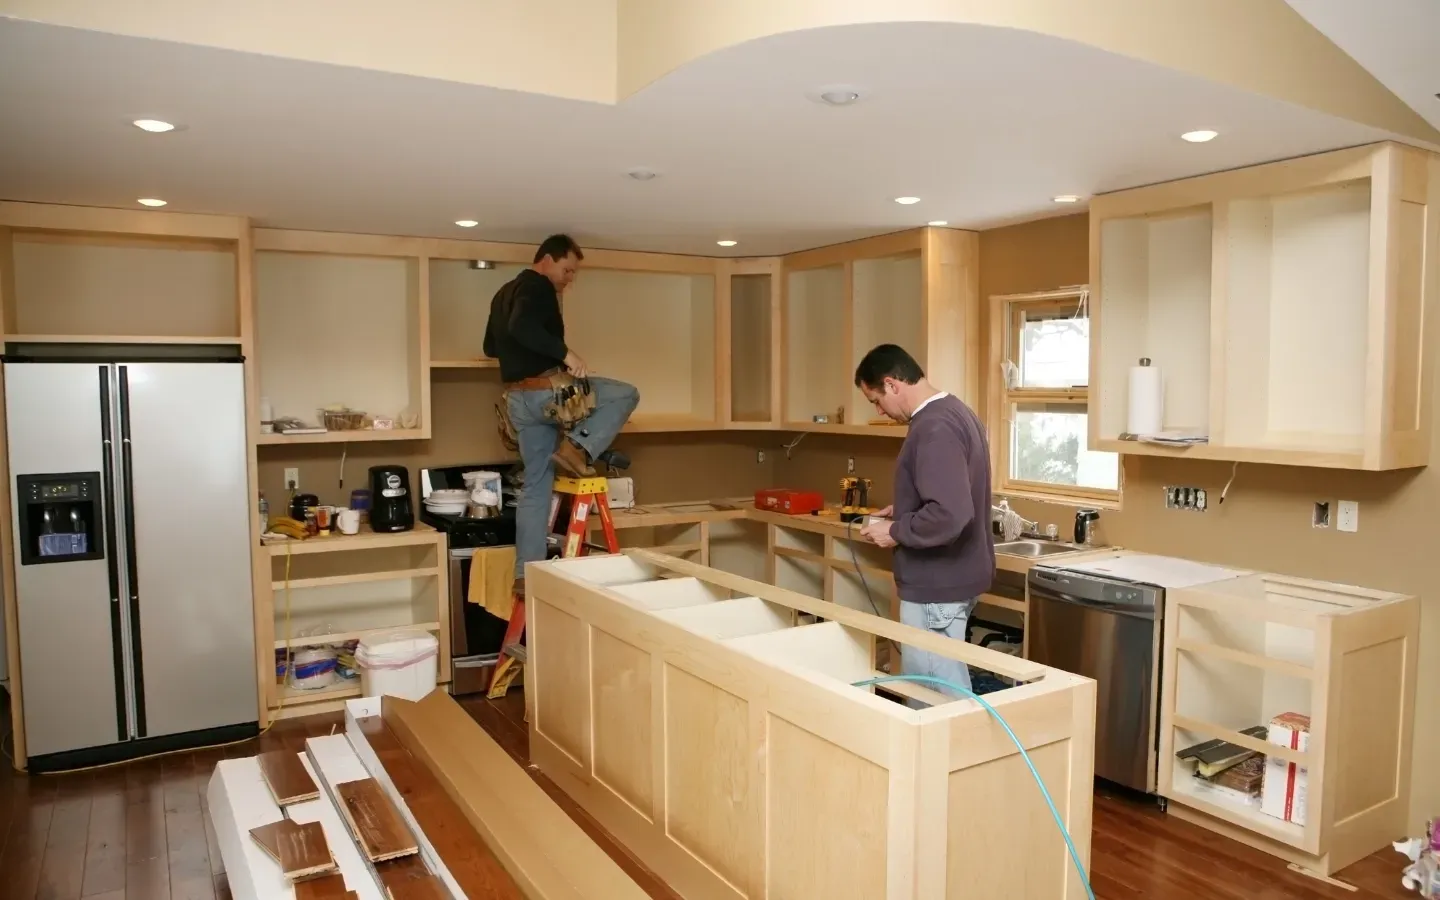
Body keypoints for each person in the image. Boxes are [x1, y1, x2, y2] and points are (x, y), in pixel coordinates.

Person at [483, 234, 640, 588]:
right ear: (547, 260)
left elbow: (491, 345)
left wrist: (520, 353)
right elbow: (521, 326)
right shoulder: (537, 286)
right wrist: (565, 355)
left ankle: (526, 574)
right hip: (546, 393)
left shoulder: (502, 294)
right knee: (625, 394)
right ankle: (578, 448)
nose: (570, 278)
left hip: (518, 401)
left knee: (536, 488)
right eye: (568, 270)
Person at [855, 343, 994, 698]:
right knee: (942, 692)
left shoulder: (934, 427)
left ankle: (960, 756)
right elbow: (949, 495)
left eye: (876, 400)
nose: (880, 411)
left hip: (936, 587)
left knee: (936, 700)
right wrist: (902, 509)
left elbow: (950, 513)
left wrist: (896, 531)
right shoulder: (955, 412)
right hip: (953, 578)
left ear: (892, 384)